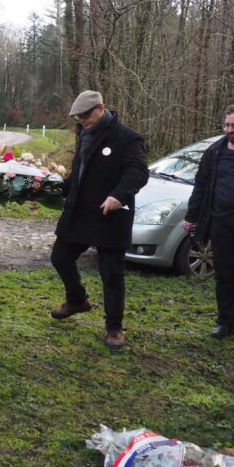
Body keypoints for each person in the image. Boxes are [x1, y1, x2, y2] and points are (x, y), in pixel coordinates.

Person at [49, 90, 147, 349]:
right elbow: (80, 173)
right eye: (78, 117)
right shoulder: (85, 134)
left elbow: (138, 172)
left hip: (110, 216)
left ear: (101, 108)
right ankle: (77, 299)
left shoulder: (127, 138)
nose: (82, 120)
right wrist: (52, 187)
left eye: (86, 115)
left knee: (112, 274)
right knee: (60, 257)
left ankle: (114, 328)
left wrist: (119, 195)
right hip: (80, 213)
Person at [182, 102, 234, 338]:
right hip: (223, 225)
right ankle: (227, 322)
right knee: (226, 275)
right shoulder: (215, 152)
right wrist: (191, 217)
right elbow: (202, 186)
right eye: (226, 125)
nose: (229, 130)